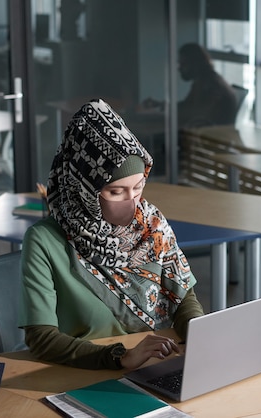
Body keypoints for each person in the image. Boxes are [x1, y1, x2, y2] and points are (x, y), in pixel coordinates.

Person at [18, 98, 205, 370]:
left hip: (161, 365)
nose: (133, 202)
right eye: (116, 192)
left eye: (139, 187)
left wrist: (201, 338)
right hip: (89, 373)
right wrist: (119, 357)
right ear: (84, 188)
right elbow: (41, 339)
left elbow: (183, 296)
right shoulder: (44, 242)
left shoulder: (151, 223)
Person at [143, 43, 239, 128]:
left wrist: (164, 111)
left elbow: (198, 114)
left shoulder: (210, 84)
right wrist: (162, 105)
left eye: (183, 64)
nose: (179, 68)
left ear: (195, 63)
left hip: (211, 138)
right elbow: (188, 106)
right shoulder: (205, 80)